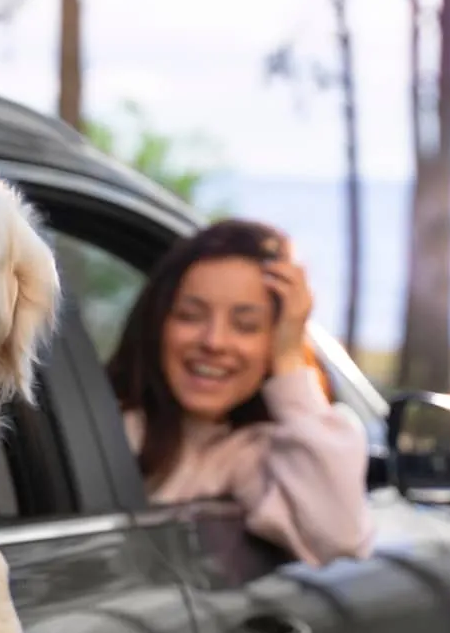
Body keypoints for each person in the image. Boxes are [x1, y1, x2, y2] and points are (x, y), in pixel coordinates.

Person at [106, 218, 373, 567]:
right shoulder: (100, 421)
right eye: (190, 315)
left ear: (274, 344)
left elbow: (339, 537)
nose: (214, 341)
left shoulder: (253, 455)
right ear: (157, 323)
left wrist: (291, 358)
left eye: (246, 325)